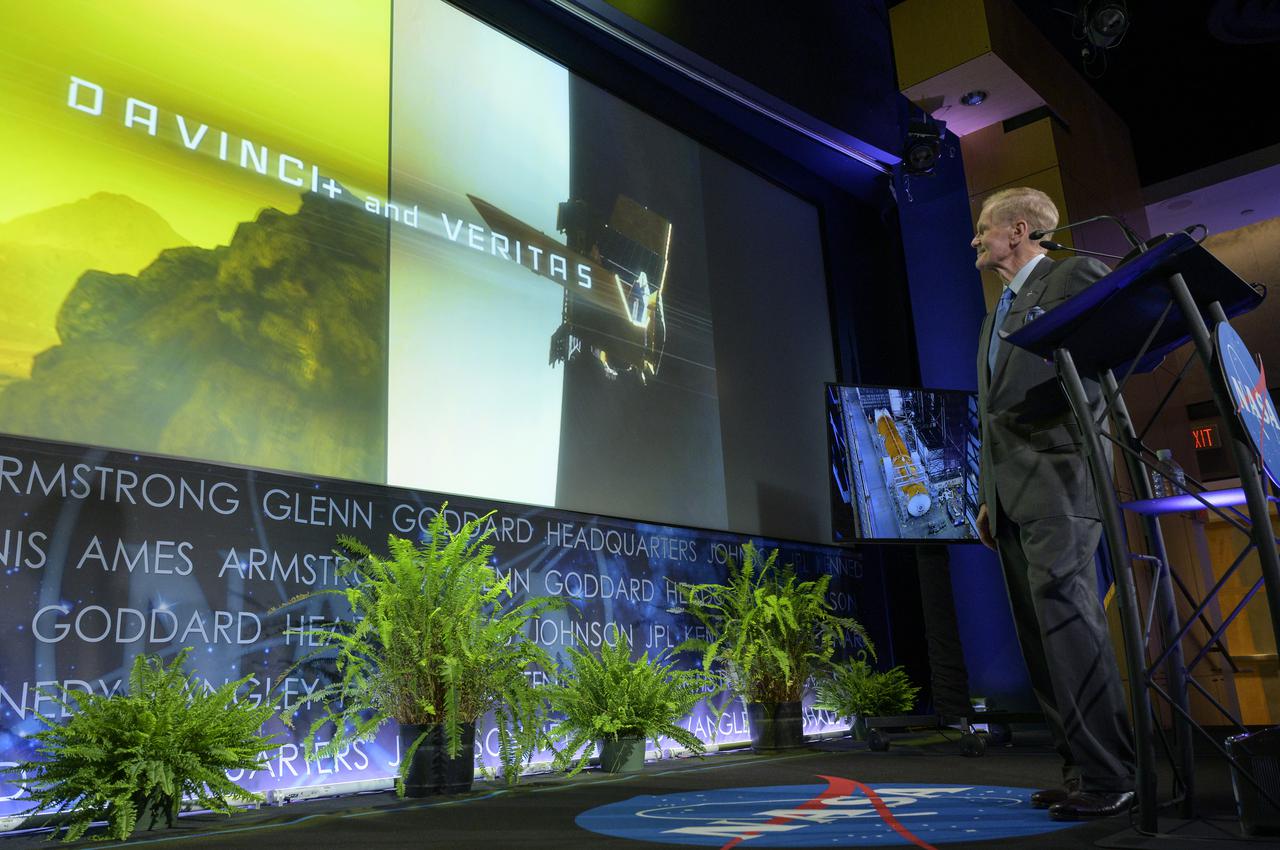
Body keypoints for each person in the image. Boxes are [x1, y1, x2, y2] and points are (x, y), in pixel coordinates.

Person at [971, 187, 1135, 820]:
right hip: (1010, 496)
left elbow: (1095, 373)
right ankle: (1079, 771)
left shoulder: (1073, 277)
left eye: (985, 228)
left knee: (1071, 629)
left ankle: (1110, 774)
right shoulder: (994, 315)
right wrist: (988, 499)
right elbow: (992, 416)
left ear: (1017, 231)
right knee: (1041, 638)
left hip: (1063, 480)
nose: (978, 239)